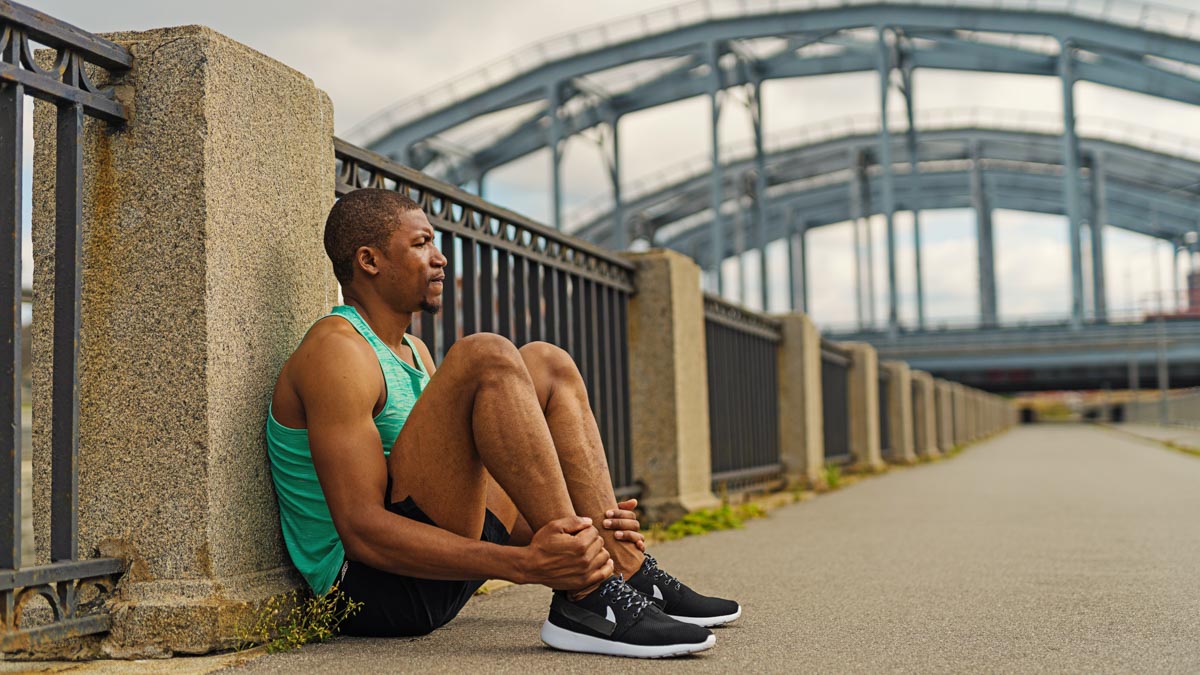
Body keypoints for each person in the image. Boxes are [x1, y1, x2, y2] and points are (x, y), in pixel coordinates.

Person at [266, 188, 740, 658]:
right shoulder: (337, 352)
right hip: (370, 592)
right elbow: (362, 530)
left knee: (546, 363)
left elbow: (469, 501)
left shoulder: (413, 352)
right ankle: (587, 597)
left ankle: (619, 567)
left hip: (433, 570)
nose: (440, 259)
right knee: (485, 355)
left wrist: (588, 537)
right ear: (369, 261)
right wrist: (527, 565)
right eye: (421, 244)